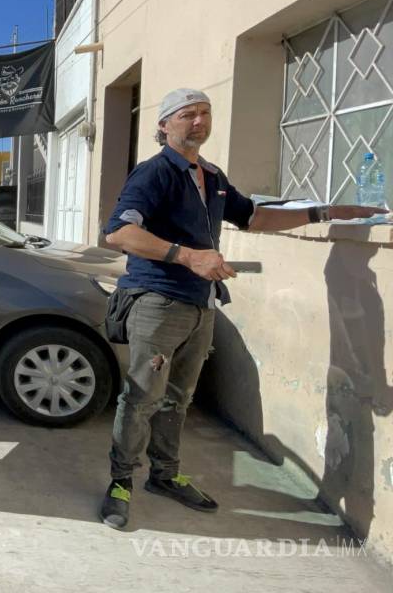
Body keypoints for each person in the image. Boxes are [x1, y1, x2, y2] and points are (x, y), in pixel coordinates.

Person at [98, 88, 388, 530]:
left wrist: (322, 212)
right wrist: (189, 256)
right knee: (142, 398)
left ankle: (165, 474)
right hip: (157, 300)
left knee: (179, 398)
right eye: (187, 115)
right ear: (164, 126)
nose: (199, 121)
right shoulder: (153, 173)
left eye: (205, 113)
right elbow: (118, 233)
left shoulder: (211, 175)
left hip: (201, 305)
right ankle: (120, 483)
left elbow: (254, 216)